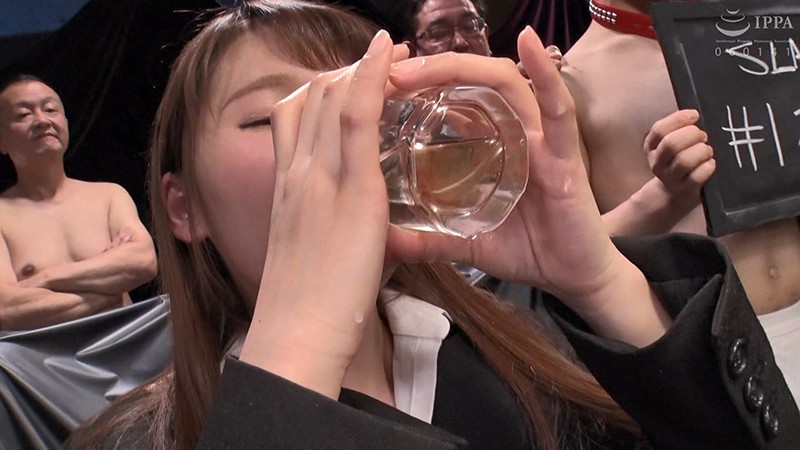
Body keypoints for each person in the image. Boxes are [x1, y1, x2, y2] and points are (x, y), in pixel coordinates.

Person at [66, 1, 798, 449]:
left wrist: (600, 279)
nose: (351, 129)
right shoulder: (122, 441)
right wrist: (301, 342)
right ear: (184, 207)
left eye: (371, 102)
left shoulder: (542, 368)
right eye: (272, 115)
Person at [561, 0, 800, 403]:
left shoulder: (759, 29)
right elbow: (569, 255)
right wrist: (663, 197)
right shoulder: (569, 80)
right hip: (708, 358)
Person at [0, 74, 158, 331]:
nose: (42, 120)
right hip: (42, 355)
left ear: (65, 123)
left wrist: (45, 278)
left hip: (126, 344)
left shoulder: (109, 196)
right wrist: (109, 289)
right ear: (2, 140)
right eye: (23, 114)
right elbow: (7, 309)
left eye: (50, 109)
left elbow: (143, 261)